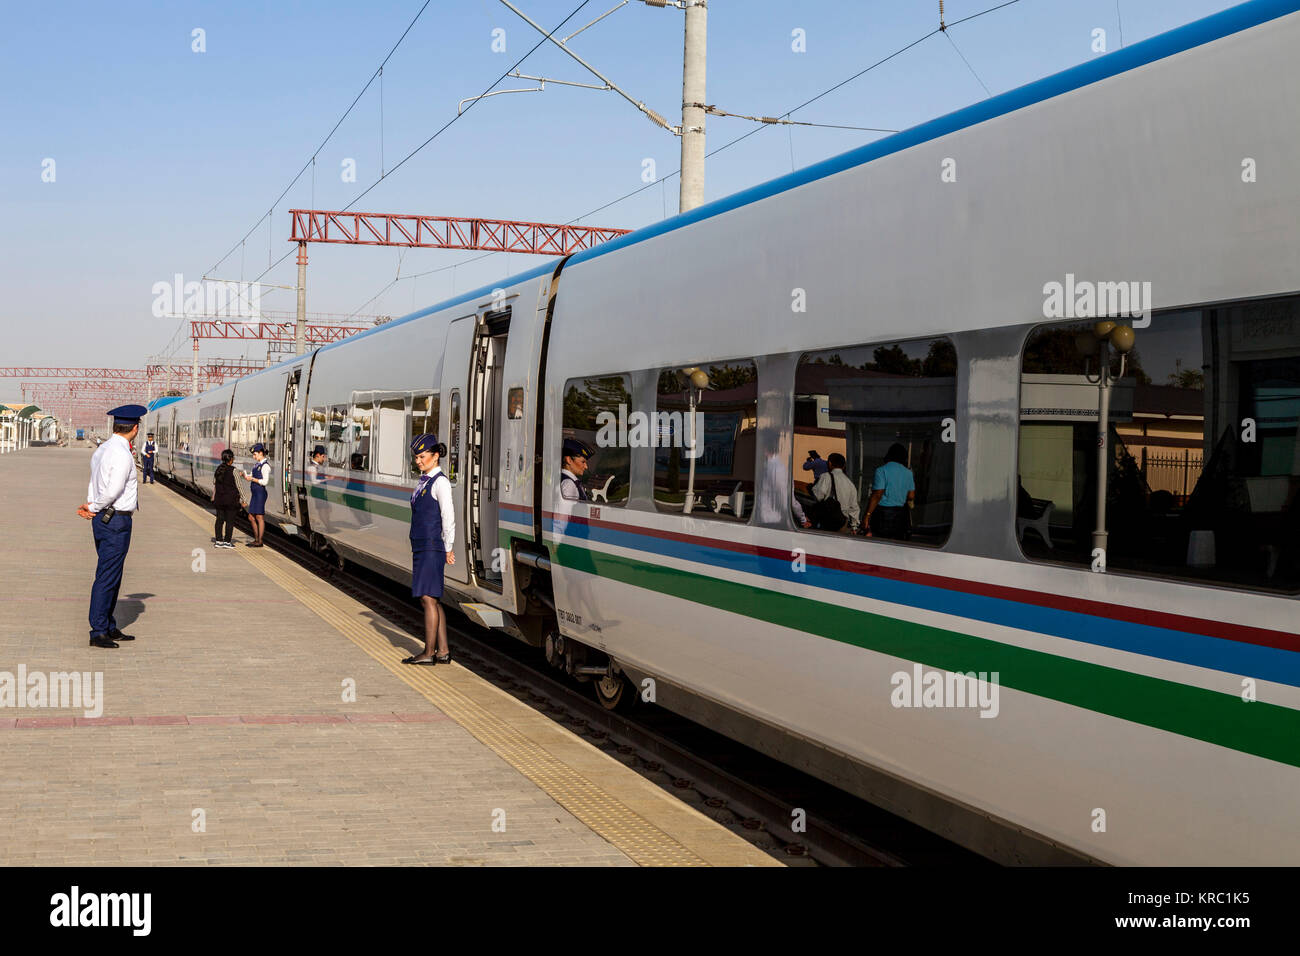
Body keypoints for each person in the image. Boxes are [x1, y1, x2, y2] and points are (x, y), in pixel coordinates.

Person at [77, 404, 147, 648]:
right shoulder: (121, 453)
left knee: (112, 573)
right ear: (135, 428)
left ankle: (107, 625)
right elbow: (114, 488)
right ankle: (98, 631)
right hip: (115, 519)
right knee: (108, 575)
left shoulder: (104, 449)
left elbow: (94, 481)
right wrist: (95, 506)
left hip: (104, 518)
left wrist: (91, 505)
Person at [403, 434, 456, 665]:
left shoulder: (440, 482)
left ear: (435, 456)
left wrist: (449, 547)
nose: (418, 461)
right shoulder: (424, 480)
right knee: (432, 598)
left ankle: (428, 652)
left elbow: (448, 516)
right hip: (423, 545)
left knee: (427, 598)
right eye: (416, 457)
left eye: (422, 456)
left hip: (432, 546)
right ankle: (442, 651)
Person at [863, 443, 916, 540]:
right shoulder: (908, 473)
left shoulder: (881, 470)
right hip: (901, 515)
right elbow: (911, 496)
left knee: (880, 544)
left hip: (883, 515)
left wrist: (867, 515)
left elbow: (877, 495)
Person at [810, 452, 861, 531]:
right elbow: (854, 508)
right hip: (842, 524)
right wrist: (854, 527)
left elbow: (818, 496)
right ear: (843, 466)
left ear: (830, 463)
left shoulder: (825, 477)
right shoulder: (850, 484)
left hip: (826, 522)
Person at [240, 442, 270, 547]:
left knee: (259, 517)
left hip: (260, 493)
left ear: (261, 453)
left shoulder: (265, 466)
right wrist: (245, 476)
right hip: (255, 493)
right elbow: (251, 476)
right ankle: (257, 539)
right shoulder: (257, 465)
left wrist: (252, 478)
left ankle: (259, 541)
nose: (254, 456)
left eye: (255, 454)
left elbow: (265, 481)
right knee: (251, 517)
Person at [211, 450, 240, 548]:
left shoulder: (218, 469)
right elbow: (239, 486)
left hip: (219, 499)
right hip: (231, 500)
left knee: (219, 520)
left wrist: (213, 496)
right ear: (231, 459)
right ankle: (227, 542)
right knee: (230, 521)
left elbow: (214, 482)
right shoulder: (234, 470)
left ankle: (218, 541)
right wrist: (244, 499)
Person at [560, 437, 594, 501]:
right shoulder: (569, 484)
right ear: (569, 460)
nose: (586, 467)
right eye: (583, 462)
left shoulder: (562, 478)